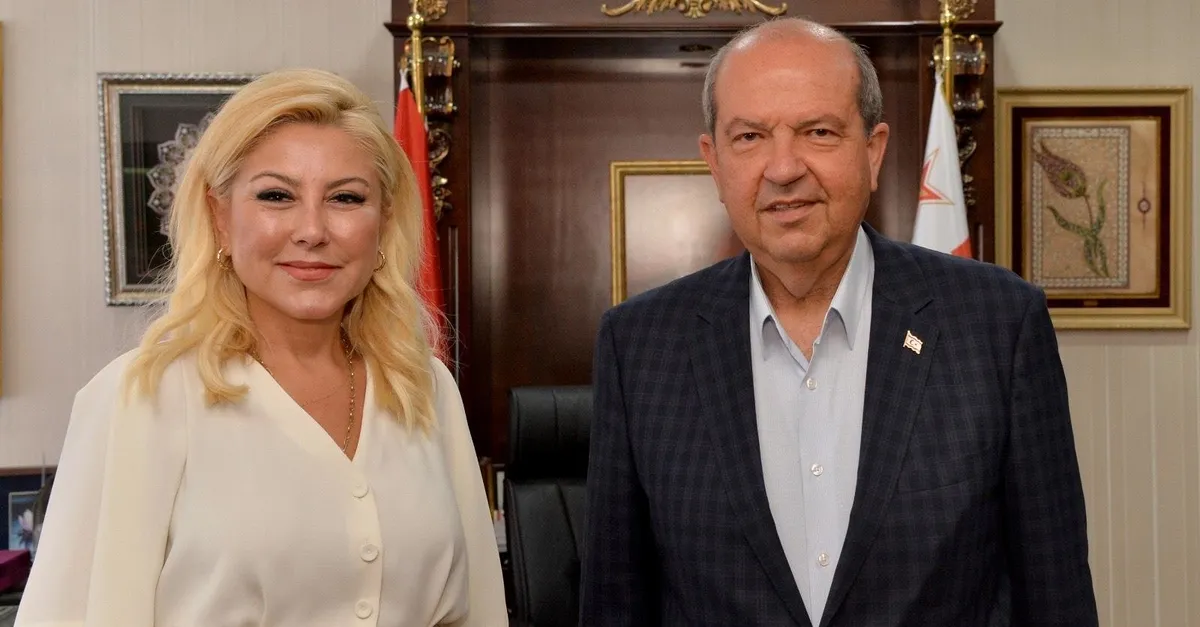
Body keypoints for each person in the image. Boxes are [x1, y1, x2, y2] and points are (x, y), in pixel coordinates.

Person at [581, 18, 1098, 627]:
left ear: (873, 152)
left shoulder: (997, 325)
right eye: (749, 137)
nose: (782, 168)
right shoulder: (640, 347)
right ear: (714, 162)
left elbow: (1055, 594)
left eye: (818, 132)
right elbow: (614, 604)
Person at [16, 68, 507, 627]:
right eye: (277, 195)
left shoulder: (424, 387)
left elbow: (480, 610)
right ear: (221, 218)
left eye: (346, 198)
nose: (312, 230)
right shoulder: (141, 397)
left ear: (383, 223)